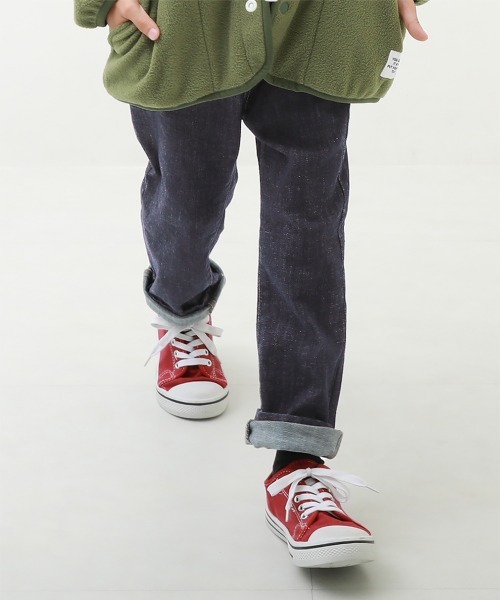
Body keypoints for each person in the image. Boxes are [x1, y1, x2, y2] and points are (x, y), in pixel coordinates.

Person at [74, 0, 429, 569]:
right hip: (186, 25)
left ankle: (299, 462)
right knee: (189, 201)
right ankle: (181, 309)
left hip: (320, 20)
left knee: (307, 231)